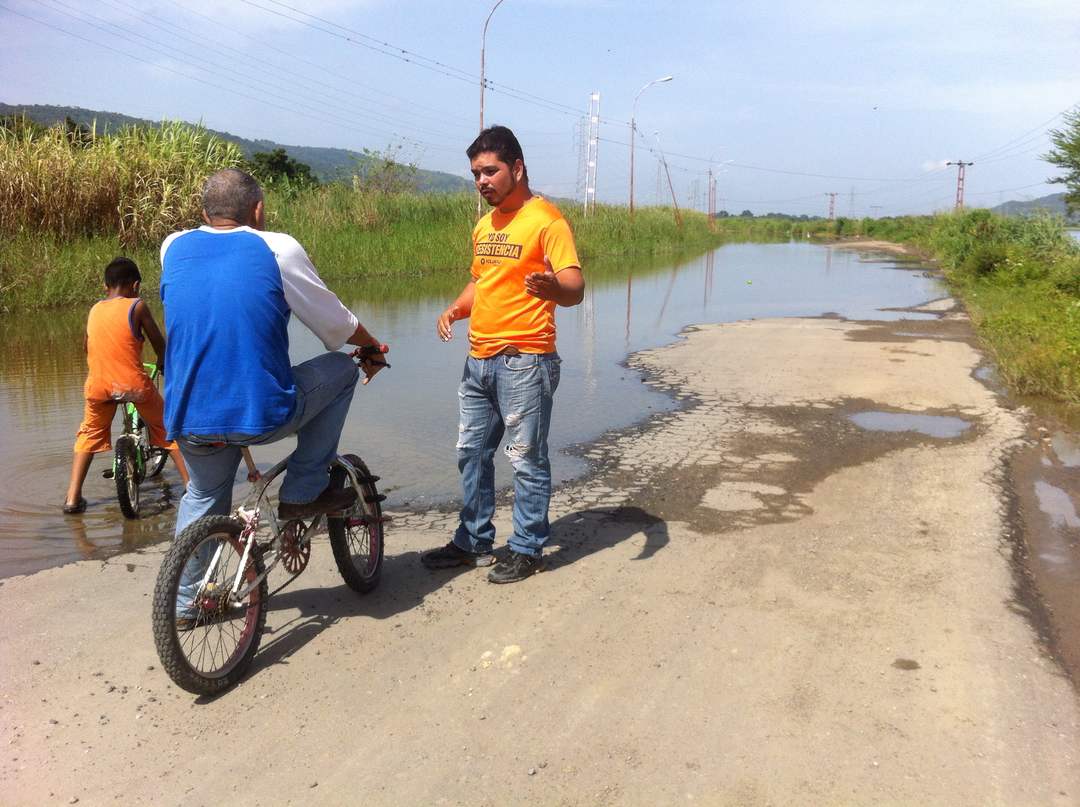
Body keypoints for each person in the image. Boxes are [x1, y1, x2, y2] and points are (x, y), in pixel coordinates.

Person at [160, 168, 387, 539]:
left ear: (204, 214)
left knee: (203, 496)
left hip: (188, 417)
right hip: (261, 415)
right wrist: (371, 347)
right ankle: (302, 489)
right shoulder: (276, 248)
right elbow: (337, 327)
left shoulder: (172, 247)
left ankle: (186, 597)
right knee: (341, 371)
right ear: (258, 210)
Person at [421, 125, 584, 584]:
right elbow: (482, 282)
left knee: (526, 457)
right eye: (475, 174)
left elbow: (575, 286)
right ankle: (473, 539)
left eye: (490, 171)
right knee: (471, 453)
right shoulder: (484, 225)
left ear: (517, 168)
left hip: (525, 361)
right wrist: (456, 308)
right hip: (479, 361)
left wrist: (554, 287)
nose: (482, 181)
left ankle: (528, 545)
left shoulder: (547, 220)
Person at [63, 257, 189, 514]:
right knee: (166, 428)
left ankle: (72, 498)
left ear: (104, 286)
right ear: (136, 285)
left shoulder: (94, 309)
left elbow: (87, 346)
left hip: (98, 387)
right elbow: (158, 342)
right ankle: (191, 485)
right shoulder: (137, 306)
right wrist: (165, 364)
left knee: (88, 436)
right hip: (133, 385)